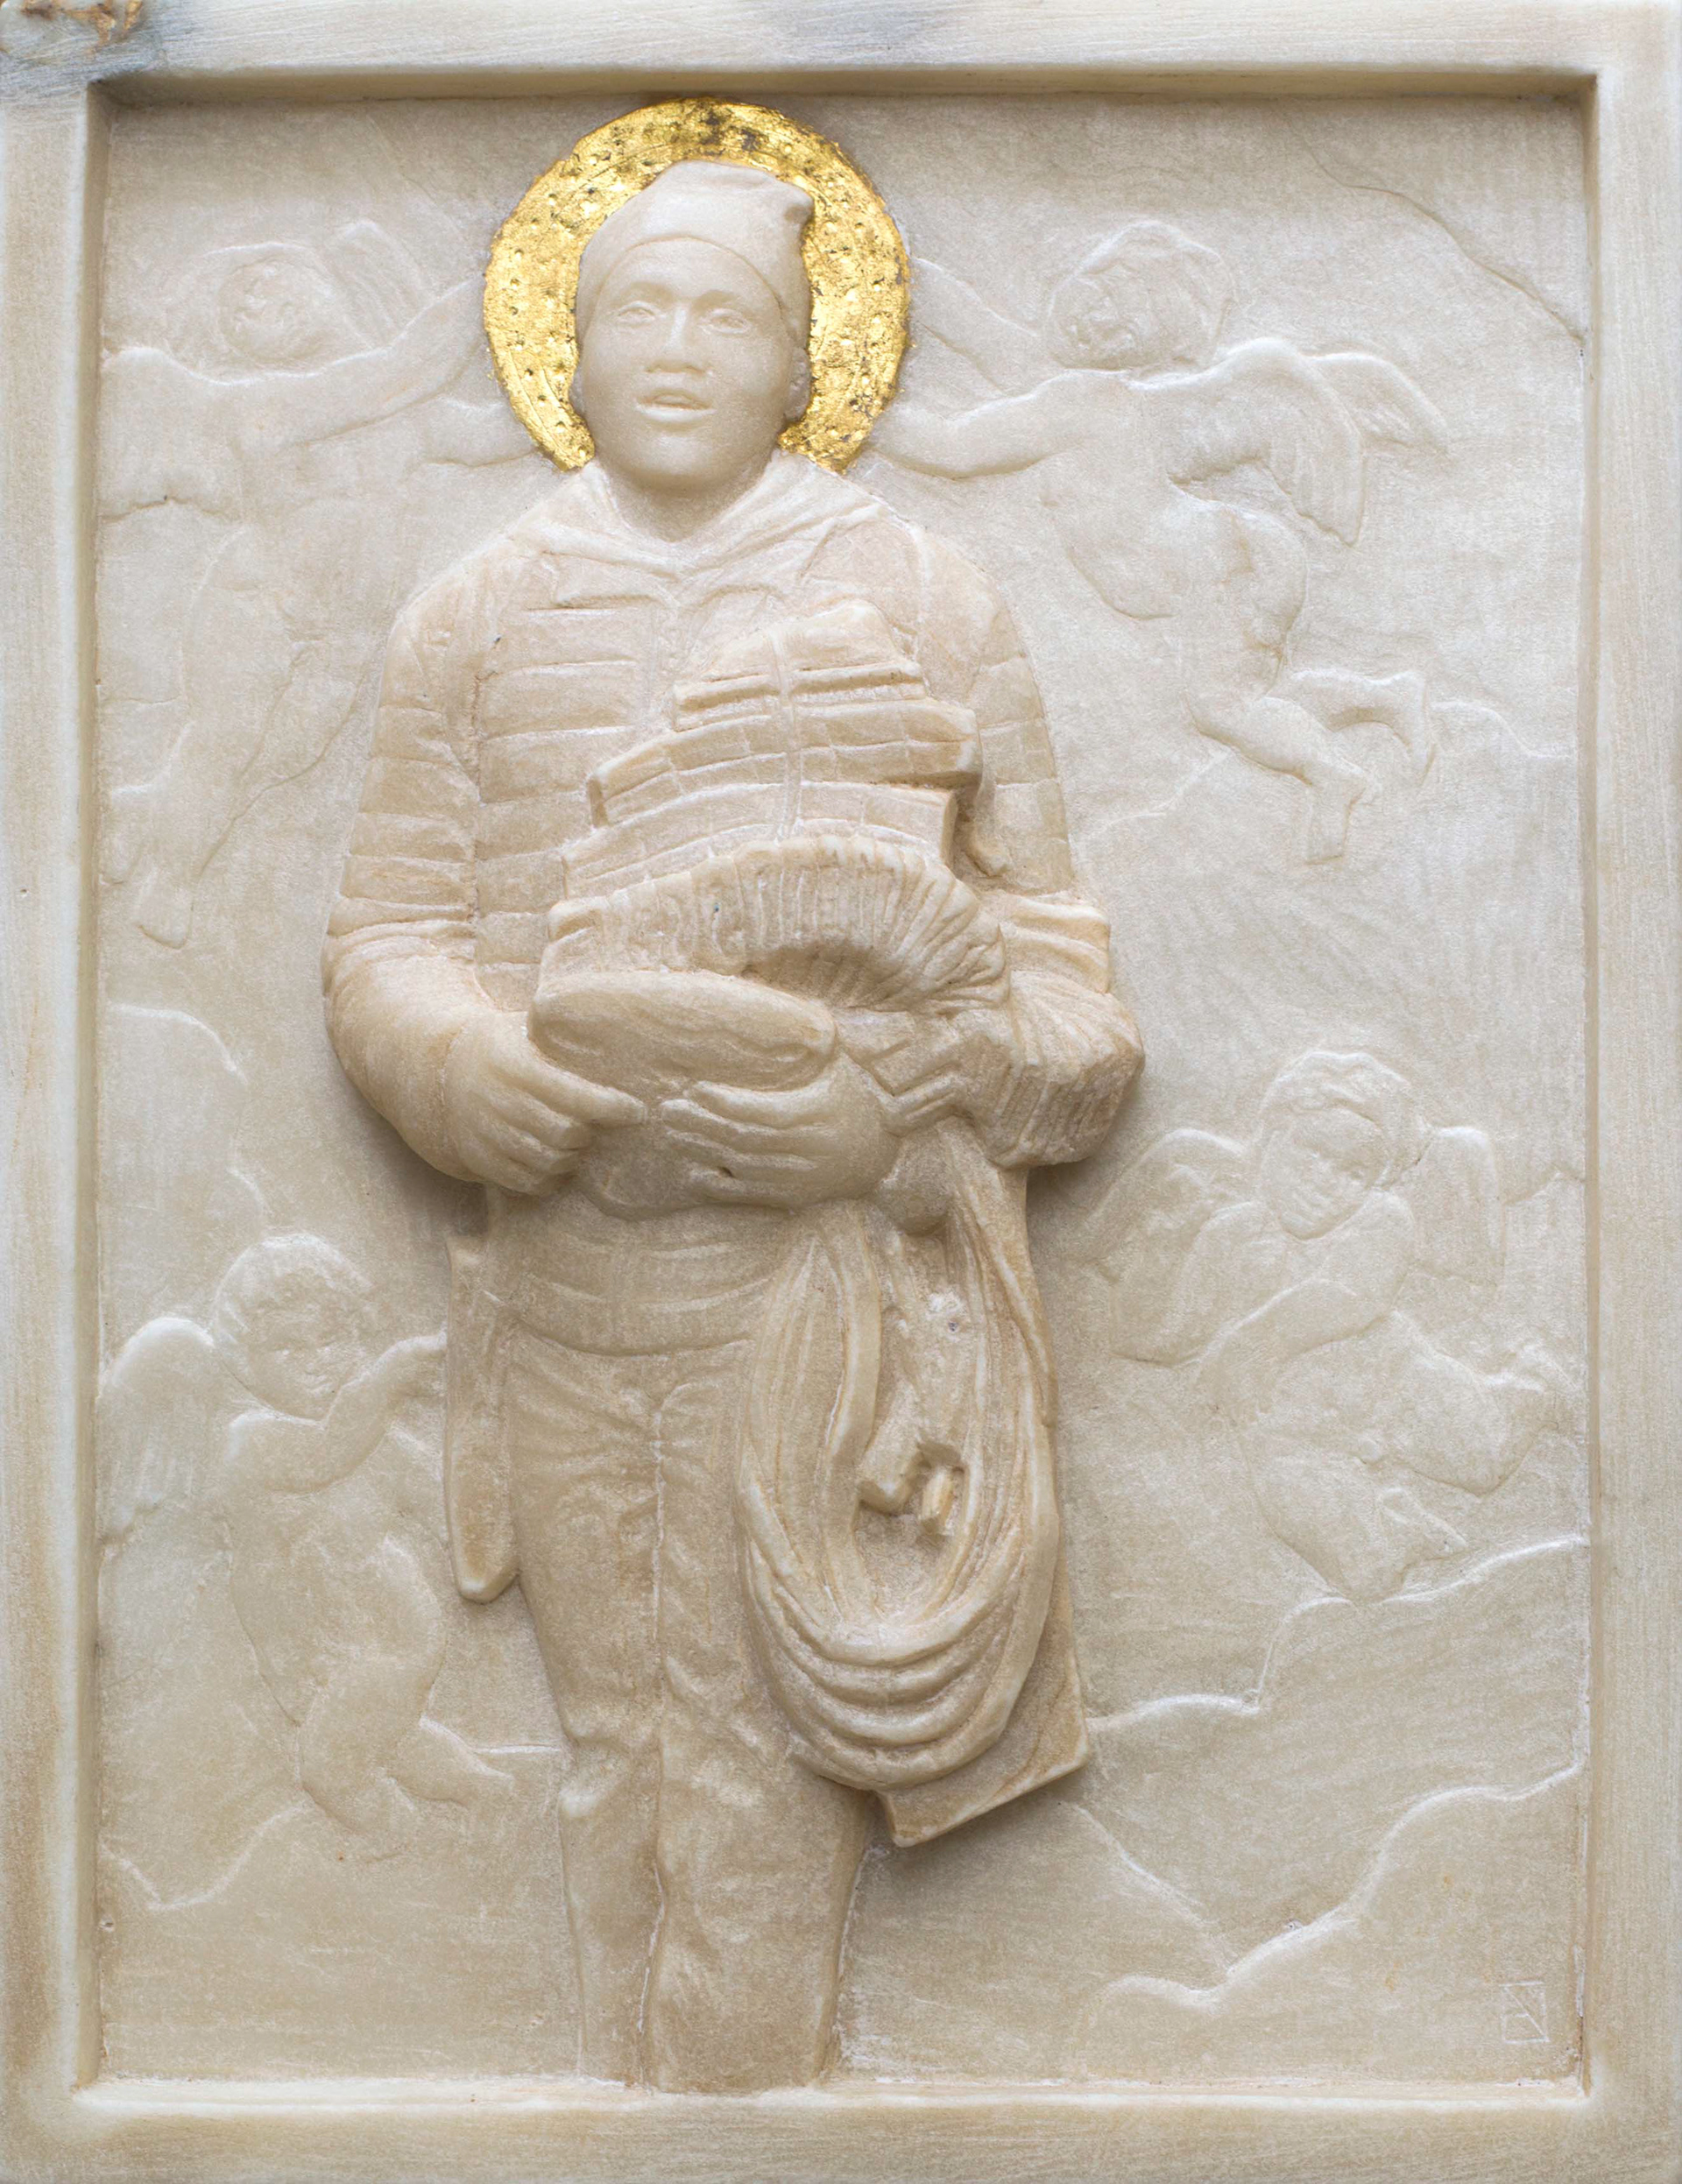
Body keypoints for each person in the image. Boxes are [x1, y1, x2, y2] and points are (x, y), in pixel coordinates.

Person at [324, 159, 1138, 2089]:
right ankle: (639, 2109)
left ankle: (740, 2116)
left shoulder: (919, 596)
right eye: (639, 309)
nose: (678, 349)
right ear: (571, 350)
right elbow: (386, 933)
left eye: (727, 315)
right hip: (566, 1299)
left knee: (762, 1757)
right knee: (617, 1750)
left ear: (801, 363)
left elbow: (1068, 1002)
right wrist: (455, 1062)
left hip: (817, 1305)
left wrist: (885, 1118)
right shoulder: (479, 614)